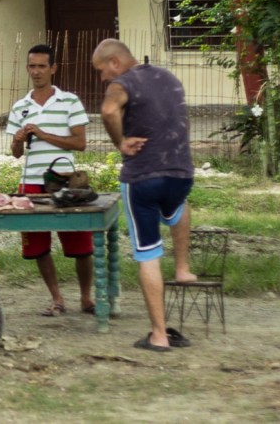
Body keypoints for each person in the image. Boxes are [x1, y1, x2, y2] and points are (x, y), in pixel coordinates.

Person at [92, 38, 196, 352]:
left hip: (142, 179)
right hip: (181, 174)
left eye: (101, 71)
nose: (102, 79)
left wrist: (121, 142)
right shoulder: (169, 77)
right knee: (179, 209)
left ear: (114, 62)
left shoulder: (122, 82)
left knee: (148, 252)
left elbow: (109, 110)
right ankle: (182, 268)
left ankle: (159, 336)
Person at [6, 44, 95, 317]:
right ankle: (57, 299)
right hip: (30, 181)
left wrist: (43, 134)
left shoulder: (70, 101)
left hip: (66, 181)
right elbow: (16, 153)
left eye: (42, 66)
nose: (36, 72)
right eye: (32, 66)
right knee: (38, 246)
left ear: (53, 68)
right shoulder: (20, 106)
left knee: (81, 245)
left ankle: (85, 298)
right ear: (27, 68)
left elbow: (80, 143)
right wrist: (18, 140)